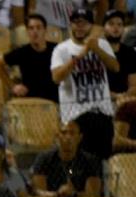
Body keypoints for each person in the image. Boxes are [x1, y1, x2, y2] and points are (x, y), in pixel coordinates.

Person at [51, 8, 118, 161]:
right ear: (71, 25)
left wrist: (96, 49)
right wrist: (82, 53)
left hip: (103, 114)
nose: (80, 27)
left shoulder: (102, 44)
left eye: (84, 23)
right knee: (79, 164)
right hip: (76, 117)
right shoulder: (61, 49)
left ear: (91, 26)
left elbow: (115, 67)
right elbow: (57, 77)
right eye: (76, 23)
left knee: (102, 162)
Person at [0, 14, 59, 102]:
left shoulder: (57, 49)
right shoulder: (22, 52)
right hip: (30, 101)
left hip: (54, 99)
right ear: (27, 31)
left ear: (45, 30)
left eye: (38, 28)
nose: (35, 31)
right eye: (31, 28)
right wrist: (13, 86)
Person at [31, 119, 103, 197]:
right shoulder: (44, 158)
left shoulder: (91, 161)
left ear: (79, 137)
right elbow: (38, 191)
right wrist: (57, 194)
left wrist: (73, 194)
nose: (68, 137)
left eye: (72, 133)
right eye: (64, 133)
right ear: (58, 136)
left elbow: (93, 195)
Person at [103, 9, 136, 97]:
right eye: (111, 24)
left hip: (125, 100)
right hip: (102, 100)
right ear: (103, 28)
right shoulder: (96, 51)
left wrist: (122, 97)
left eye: (119, 24)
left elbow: (135, 85)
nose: (116, 27)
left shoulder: (130, 52)